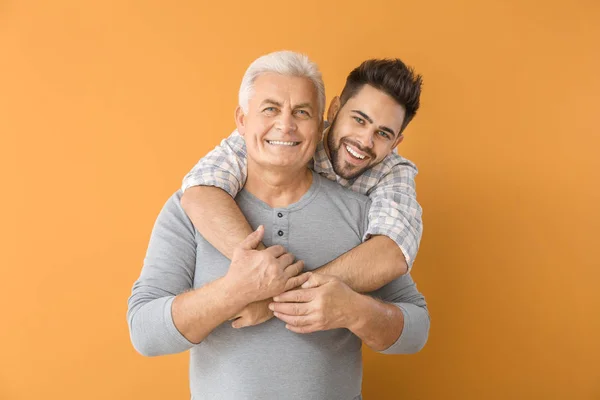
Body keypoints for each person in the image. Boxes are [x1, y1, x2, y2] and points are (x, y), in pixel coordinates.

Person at [127, 51, 429, 400]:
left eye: (301, 112)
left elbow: (416, 328)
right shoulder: (191, 208)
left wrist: (355, 310)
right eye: (270, 109)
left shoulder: (367, 214)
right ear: (242, 120)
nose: (285, 126)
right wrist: (233, 292)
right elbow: (144, 333)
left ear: (318, 123)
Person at [180, 52, 424, 328]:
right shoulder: (282, 134)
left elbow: (392, 253)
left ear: (396, 142)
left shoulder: (394, 170)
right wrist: (264, 274)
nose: (365, 141)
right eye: (359, 120)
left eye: (383, 133)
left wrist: (275, 299)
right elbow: (200, 190)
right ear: (332, 111)